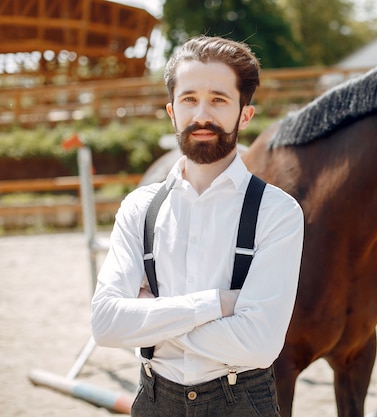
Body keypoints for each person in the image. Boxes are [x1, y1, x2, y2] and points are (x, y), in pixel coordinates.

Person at [91, 36, 304, 417]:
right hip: (154, 399)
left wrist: (148, 317)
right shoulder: (139, 208)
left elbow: (258, 344)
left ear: (244, 114)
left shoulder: (277, 212)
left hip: (240, 402)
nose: (201, 114)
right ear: (172, 111)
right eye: (189, 99)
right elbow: (106, 324)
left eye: (218, 100)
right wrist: (218, 304)